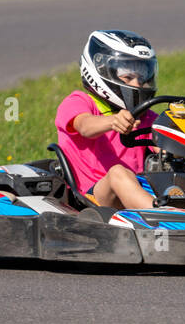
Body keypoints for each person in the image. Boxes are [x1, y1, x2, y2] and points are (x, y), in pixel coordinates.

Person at [55, 29, 160, 210]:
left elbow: (167, 148)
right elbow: (84, 126)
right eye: (128, 77)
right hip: (93, 198)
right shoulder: (78, 102)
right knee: (118, 173)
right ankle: (165, 220)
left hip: (138, 190)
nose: (137, 85)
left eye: (141, 79)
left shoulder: (143, 115)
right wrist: (113, 121)